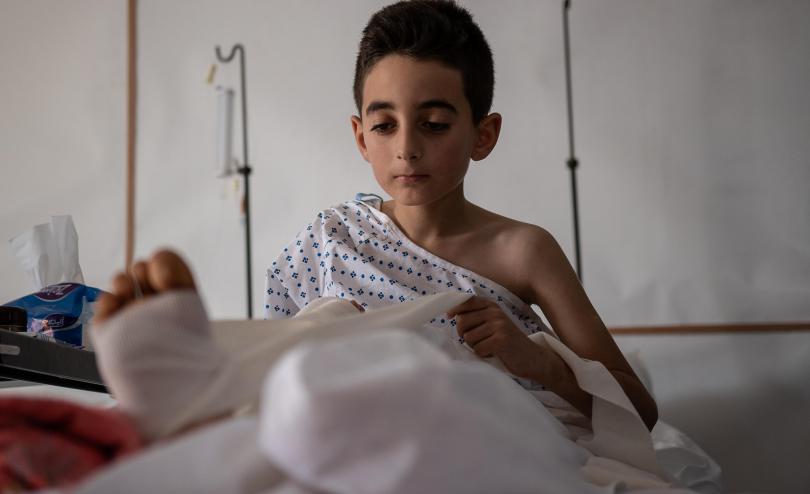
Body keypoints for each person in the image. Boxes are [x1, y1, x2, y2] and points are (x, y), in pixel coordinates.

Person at [264, 0, 657, 430]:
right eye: (384, 125)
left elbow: (641, 412)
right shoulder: (331, 240)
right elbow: (268, 384)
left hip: (491, 451)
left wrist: (541, 363)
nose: (406, 148)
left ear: (483, 135)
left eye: (433, 124)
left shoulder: (524, 251)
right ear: (361, 137)